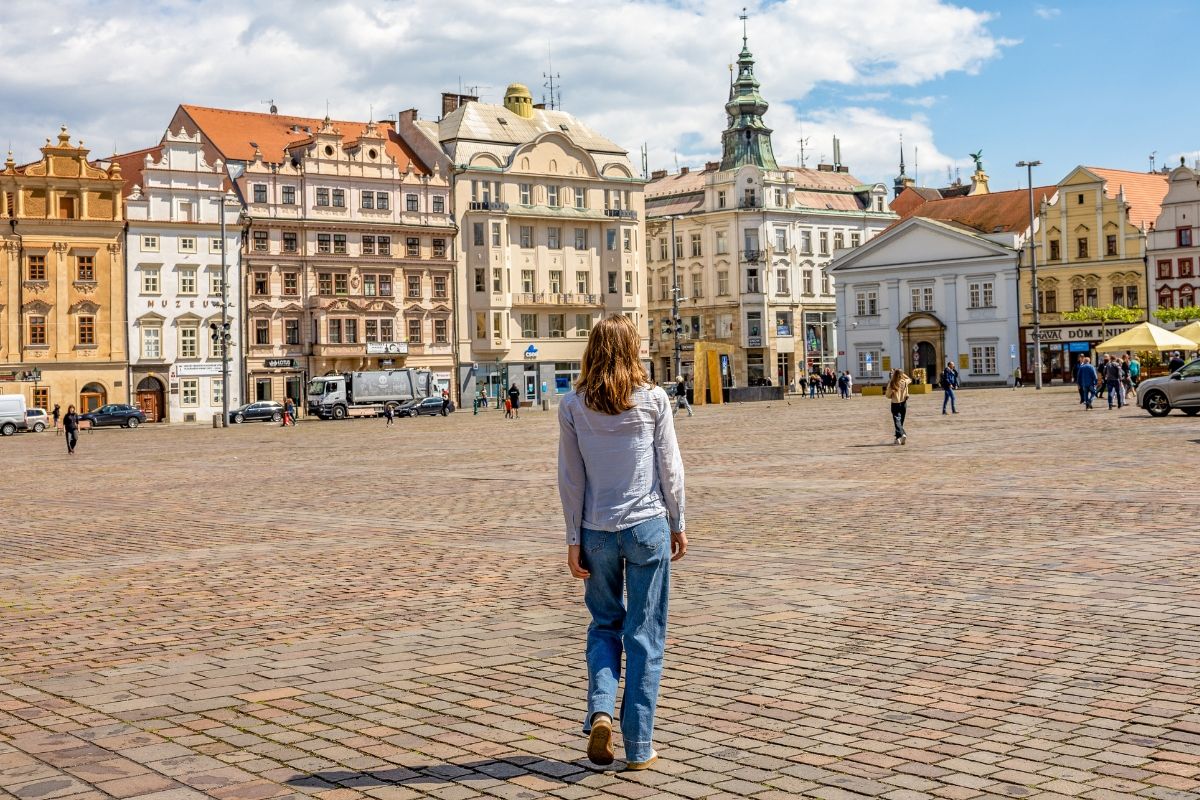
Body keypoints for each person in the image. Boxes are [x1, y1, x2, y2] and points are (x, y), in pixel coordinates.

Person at [558, 314, 686, 772]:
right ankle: (638, 745)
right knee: (645, 634)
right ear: (633, 349)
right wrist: (678, 520)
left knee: (604, 626)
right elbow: (670, 467)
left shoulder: (573, 405)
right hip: (646, 525)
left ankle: (600, 711)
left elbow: (571, 478)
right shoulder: (653, 399)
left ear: (591, 350)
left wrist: (573, 538)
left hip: (597, 531)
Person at [884, 369, 911, 445]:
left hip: (895, 403)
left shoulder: (892, 383)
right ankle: (897, 438)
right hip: (903, 403)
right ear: (901, 375)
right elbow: (910, 379)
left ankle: (902, 434)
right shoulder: (905, 382)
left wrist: (892, 394)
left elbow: (887, 395)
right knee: (900, 421)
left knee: (897, 421)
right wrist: (903, 374)